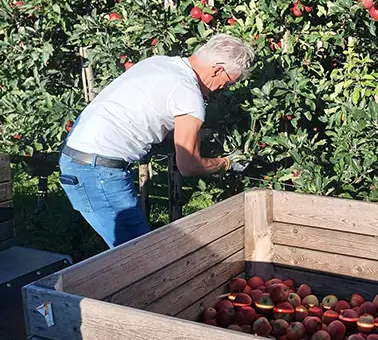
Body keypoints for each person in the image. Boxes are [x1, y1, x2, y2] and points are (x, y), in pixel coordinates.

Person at [58, 33, 255, 248]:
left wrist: (198, 135)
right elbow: (188, 166)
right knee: (141, 256)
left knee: (130, 251)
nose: (221, 90)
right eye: (226, 84)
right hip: (98, 172)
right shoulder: (189, 93)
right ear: (218, 69)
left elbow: (150, 114)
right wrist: (227, 162)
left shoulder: (160, 63)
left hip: (80, 159)